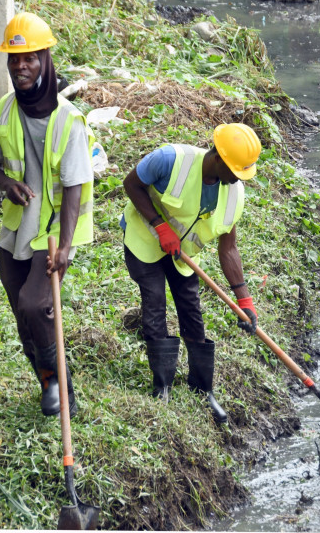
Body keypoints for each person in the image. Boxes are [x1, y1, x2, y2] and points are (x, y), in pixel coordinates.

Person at [0, 12, 94, 417]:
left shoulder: (69, 121)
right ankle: (50, 383)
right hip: (15, 230)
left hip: (50, 232)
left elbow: (75, 187)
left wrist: (64, 246)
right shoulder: (4, 110)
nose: (21, 67)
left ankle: (60, 387)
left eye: (29, 57)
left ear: (45, 58)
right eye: (14, 60)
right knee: (22, 314)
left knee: (36, 305)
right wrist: (5, 186)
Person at [121, 123, 262, 424]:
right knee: (155, 300)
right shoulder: (170, 160)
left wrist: (244, 301)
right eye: (235, 171)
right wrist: (159, 225)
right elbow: (131, 184)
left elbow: (229, 249)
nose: (238, 179)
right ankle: (163, 386)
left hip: (183, 256)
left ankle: (203, 388)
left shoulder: (234, 195)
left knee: (191, 311)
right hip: (144, 241)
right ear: (218, 158)